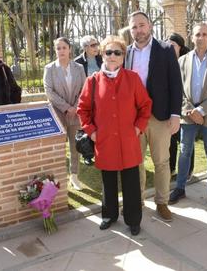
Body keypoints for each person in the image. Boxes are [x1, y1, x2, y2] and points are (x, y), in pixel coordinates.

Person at [77, 36, 152, 236]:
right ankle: (109, 215)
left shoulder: (132, 78)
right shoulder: (92, 81)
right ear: (102, 54)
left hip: (128, 141)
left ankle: (133, 219)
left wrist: (138, 128)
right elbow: (83, 110)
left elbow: (145, 106)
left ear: (122, 57)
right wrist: (91, 132)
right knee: (108, 182)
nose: (112, 56)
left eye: (117, 52)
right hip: (105, 141)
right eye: (108, 52)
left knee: (131, 183)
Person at [125, 11, 183, 222]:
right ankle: (137, 201)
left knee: (161, 161)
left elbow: (176, 84)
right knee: (136, 162)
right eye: (134, 27)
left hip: (159, 116)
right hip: (133, 118)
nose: (138, 30)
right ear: (130, 30)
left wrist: (176, 115)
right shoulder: (127, 52)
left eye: (141, 25)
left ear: (149, 26)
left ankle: (162, 202)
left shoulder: (166, 49)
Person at [168, 23, 207, 210]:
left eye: (204, 34)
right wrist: (191, 111)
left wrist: (201, 111)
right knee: (185, 151)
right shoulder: (183, 61)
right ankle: (180, 188)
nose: (200, 37)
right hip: (187, 115)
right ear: (191, 37)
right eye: (197, 34)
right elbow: (177, 90)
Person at [44, 37, 86, 190]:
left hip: (76, 113)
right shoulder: (49, 69)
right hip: (58, 113)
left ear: (69, 49)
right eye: (58, 48)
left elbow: (84, 89)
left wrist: (75, 107)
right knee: (59, 147)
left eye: (64, 47)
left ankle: (74, 176)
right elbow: (49, 92)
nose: (61, 51)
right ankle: (57, 178)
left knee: (75, 146)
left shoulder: (79, 68)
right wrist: (67, 108)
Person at [166, 33, 194, 178]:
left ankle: (188, 170)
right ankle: (170, 169)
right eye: (168, 45)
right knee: (170, 142)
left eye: (173, 45)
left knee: (186, 142)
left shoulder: (187, 63)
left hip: (185, 109)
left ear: (180, 48)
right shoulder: (164, 62)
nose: (169, 48)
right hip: (169, 110)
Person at [74, 35, 103, 166]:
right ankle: (87, 154)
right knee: (87, 127)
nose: (96, 47)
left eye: (96, 44)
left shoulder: (102, 59)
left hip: (102, 99)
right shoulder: (78, 62)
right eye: (92, 45)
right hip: (87, 99)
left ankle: (100, 152)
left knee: (100, 126)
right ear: (85, 48)